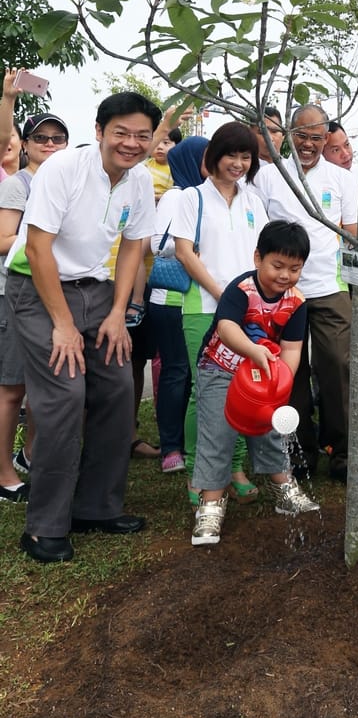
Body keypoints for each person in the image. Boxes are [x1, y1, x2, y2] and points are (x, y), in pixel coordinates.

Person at [5, 92, 160, 563]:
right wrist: (64, 325)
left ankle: (96, 507)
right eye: (121, 133)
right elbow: (36, 250)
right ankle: (44, 526)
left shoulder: (137, 183)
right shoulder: (62, 170)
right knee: (64, 395)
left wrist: (118, 313)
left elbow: (134, 246)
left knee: (115, 388)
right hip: (38, 288)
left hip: (97, 290)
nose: (131, 143)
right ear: (99, 132)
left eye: (141, 135)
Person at [191, 219, 319, 545]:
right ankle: (210, 506)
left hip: (265, 377)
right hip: (221, 369)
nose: (284, 275)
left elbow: (291, 350)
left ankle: (284, 488)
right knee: (218, 434)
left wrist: (280, 384)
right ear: (257, 258)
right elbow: (227, 328)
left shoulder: (296, 303)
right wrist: (253, 351)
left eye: (294, 268)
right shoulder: (241, 290)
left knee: (270, 428)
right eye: (277, 265)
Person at [254, 103, 357, 482]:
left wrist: (354, 289)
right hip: (282, 292)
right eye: (302, 136)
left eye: (317, 137)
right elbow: (260, 237)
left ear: (327, 137)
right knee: (290, 373)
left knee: (338, 365)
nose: (310, 144)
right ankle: (300, 450)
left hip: (330, 288)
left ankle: (343, 451)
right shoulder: (268, 177)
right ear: (288, 135)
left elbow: (352, 238)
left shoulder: (342, 179)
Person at [170, 121, 268, 504]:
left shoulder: (253, 201)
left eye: (246, 156)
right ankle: (200, 470)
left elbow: (261, 256)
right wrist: (223, 293)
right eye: (232, 155)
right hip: (203, 308)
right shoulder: (190, 198)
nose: (239, 163)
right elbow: (183, 252)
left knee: (242, 389)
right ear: (213, 157)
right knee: (205, 391)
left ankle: (236, 467)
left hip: (248, 312)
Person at [0, 112, 70, 502]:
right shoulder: (17, 186)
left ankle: (29, 455)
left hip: (54, 293)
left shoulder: (65, 183)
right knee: (11, 389)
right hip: (15, 292)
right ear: (24, 144)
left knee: (46, 386)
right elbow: (2, 239)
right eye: (40, 137)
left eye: (58, 138)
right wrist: (42, 238)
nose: (49, 144)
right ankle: (4, 472)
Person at [146, 135, 208, 473]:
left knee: (196, 373)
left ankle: (191, 440)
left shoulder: (207, 194)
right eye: (206, 157)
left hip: (200, 298)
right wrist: (194, 245)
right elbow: (159, 243)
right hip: (171, 298)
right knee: (177, 371)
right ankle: (171, 447)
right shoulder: (176, 195)